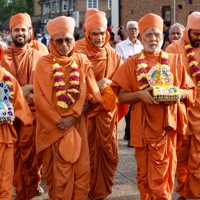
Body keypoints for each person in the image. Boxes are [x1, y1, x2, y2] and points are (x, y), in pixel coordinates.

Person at [111, 13, 196, 200]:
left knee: (163, 173)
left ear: (162, 36)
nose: (153, 39)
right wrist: (140, 94)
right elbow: (121, 96)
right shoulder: (132, 63)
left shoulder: (174, 61)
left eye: (157, 34)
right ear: (141, 37)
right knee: (143, 174)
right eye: (148, 35)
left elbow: (190, 92)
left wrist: (176, 93)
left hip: (166, 128)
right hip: (142, 128)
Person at [34, 16, 102, 200]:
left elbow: (94, 96)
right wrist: (59, 122)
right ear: (51, 42)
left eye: (68, 39)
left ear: (74, 40)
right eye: (59, 40)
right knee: (57, 178)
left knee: (81, 174)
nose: (64, 44)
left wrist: (73, 118)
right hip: (52, 129)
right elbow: (40, 100)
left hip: (77, 126)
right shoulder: (43, 64)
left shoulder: (82, 61)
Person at [1, 13, 45, 200]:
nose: (20, 33)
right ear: (10, 33)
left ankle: (31, 184)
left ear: (30, 32)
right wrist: (21, 90)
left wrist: (30, 89)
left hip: (36, 116)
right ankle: (17, 187)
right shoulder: (3, 58)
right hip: (10, 118)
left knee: (33, 158)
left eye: (23, 29)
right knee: (12, 158)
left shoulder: (42, 57)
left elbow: (47, 85)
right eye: (16, 30)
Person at [80, 10, 123, 199]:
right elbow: (69, 87)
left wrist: (109, 86)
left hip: (107, 114)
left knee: (109, 155)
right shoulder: (77, 54)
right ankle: (87, 190)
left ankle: (101, 191)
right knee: (86, 155)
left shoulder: (114, 55)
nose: (98, 38)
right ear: (87, 34)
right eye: (94, 34)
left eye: (102, 33)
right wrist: (94, 88)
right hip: (85, 114)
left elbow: (122, 84)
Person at [166, 11, 200, 200]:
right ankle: (186, 191)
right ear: (188, 31)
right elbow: (166, 80)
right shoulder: (174, 49)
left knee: (199, 158)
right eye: (196, 34)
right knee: (182, 158)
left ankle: (195, 193)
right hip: (182, 112)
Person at [0, 45, 34, 200]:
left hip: (3, 141)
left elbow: (24, 116)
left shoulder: (7, 80)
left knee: (4, 185)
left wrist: (25, 142)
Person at [115, 21, 143, 146]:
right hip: (127, 78)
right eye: (131, 29)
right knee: (128, 107)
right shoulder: (120, 46)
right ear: (126, 31)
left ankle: (130, 133)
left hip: (140, 79)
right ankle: (130, 134)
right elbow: (120, 63)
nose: (133, 31)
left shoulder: (141, 46)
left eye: (136, 29)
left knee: (136, 107)